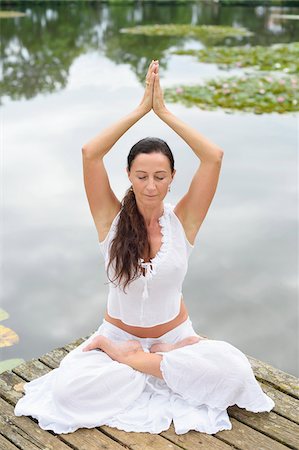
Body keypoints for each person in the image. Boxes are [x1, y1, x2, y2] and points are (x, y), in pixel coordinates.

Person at [14, 60, 275, 435]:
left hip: (176, 341)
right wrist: (141, 110)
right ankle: (136, 360)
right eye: (141, 176)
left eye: (159, 176)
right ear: (129, 176)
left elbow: (213, 156)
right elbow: (90, 153)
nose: (150, 186)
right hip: (118, 338)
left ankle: (138, 364)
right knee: (69, 393)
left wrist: (163, 112)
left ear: (172, 179)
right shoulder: (111, 220)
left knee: (235, 373)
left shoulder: (183, 221)